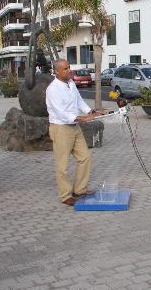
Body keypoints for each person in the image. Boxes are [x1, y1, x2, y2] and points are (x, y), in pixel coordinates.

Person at [46, 59, 104, 206]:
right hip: (61, 128)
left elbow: (78, 101)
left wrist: (90, 111)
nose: (69, 70)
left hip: (74, 127)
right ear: (57, 71)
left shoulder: (71, 84)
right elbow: (61, 113)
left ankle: (79, 189)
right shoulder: (52, 89)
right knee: (62, 165)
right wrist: (82, 118)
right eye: (65, 69)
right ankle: (65, 195)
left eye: (69, 67)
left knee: (85, 157)